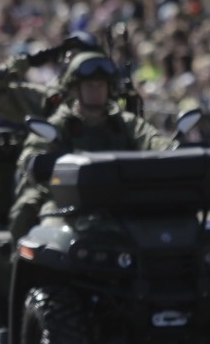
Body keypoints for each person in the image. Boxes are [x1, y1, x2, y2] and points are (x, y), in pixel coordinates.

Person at [9, 51, 174, 245]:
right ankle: (19, 270)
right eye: (89, 85)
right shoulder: (57, 125)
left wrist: (172, 151)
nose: (96, 91)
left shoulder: (126, 123)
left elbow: (153, 140)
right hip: (65, 201)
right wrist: (45, 161)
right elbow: (32, 157)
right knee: (31, 217)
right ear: (74, 90)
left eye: (101, 85)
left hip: (122, 199)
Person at [0, 31, 101, 125]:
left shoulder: (110, 96)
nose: (71, 59)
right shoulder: (47, 98)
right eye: (69, 55)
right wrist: (28, 61)